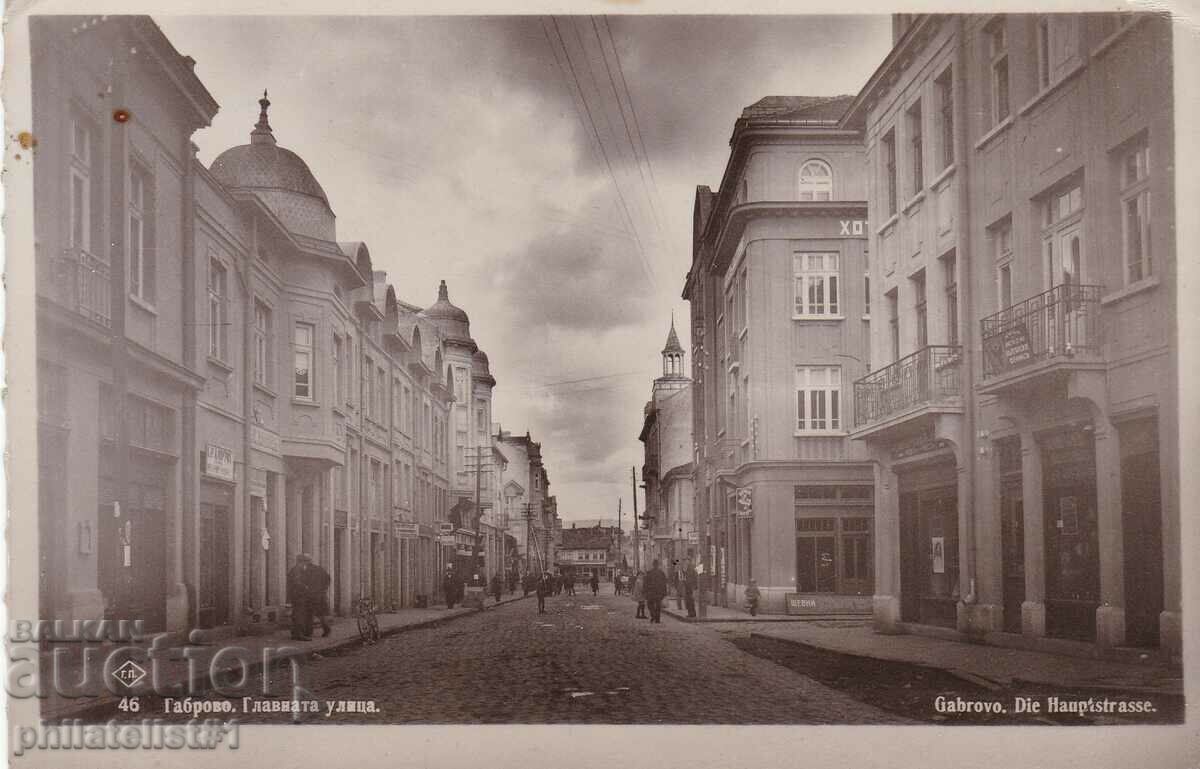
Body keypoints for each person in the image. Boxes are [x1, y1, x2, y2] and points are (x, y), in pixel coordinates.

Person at [286, 554, 314, 640]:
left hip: (299, 595)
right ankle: (299, 634)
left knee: (299, 614)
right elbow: (297, 583)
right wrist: (307, 587)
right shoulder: (297, 570)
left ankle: (296, 634)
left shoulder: (299, 569)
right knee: (300, 615)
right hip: (298, 596)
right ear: (302, 561)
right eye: (308, 561)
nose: (309, 563)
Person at [304, 554, 333, 637]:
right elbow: (328, 578)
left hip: (312, 595)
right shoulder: (319, 568)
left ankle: (308, 632)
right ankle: (327, 629)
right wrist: (324, 588)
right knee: (321, 614)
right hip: (321, 595)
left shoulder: (306, 571)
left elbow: (305, 583)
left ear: (306, 561)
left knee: (309, 614)